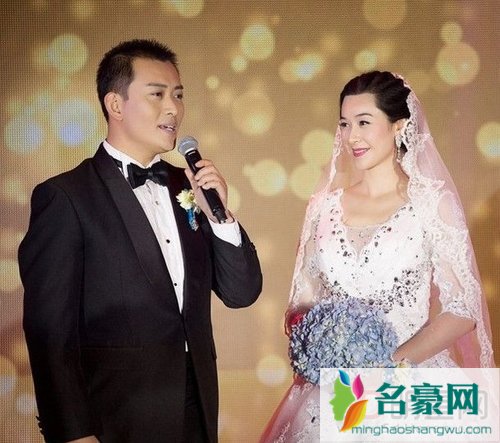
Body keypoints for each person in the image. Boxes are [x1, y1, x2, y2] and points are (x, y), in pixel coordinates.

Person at [19, 39, 262, 443]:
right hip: (115, 419)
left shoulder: (188, 186)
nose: (174, 109)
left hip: (197, 410)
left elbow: (241, 293)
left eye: (178, 95)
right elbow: (50, 333)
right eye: (157, 95)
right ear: (115, 104)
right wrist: (73, 433)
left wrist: (221, 218)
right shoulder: (66, 197)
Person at [260, 71, 495, 442]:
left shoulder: (432, 204)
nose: (351, 136)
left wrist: (386, 366)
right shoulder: (324, 207)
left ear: (398, 126)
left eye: (364, 122)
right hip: (335, 389)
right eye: (344, 124)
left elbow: (463, 308)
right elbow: (302, 300)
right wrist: (318, 340)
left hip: (408, 383)